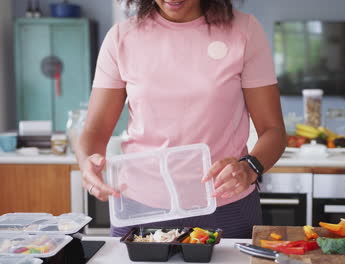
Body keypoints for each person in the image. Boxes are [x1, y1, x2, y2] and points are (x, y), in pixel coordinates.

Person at [75, 0, 286, 238]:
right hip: (140, 208)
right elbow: (95, 129)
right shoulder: (121, 38)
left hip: (226, 206)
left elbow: (273, 130)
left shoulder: (245, 30)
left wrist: (250, 168)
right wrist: (87, 163)